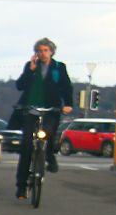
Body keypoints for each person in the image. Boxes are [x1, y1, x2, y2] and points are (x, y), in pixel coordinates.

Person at [13, 37, 73, 199]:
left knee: (49, 134)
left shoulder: (59, 67)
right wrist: (30, 70)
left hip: (50, 109)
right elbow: (20, 86)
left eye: (45, 50)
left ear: (51, 52)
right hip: (30, 109)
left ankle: (50, 156)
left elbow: (66, 87)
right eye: (39, 51)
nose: (42, 53)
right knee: (26, 146)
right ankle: (21, 186)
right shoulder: (31, 66)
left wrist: (68, 104)